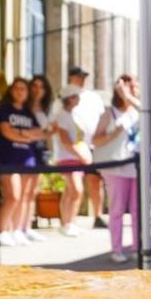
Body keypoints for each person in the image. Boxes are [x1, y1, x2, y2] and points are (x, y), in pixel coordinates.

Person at [93, 75, 148, 263]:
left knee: (136, 209)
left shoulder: (137, 111)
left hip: (134, 165)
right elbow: (96, 140)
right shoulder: (109, 113)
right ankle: (116, 249)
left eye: (135, 87)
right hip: (115, 166)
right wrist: (113, 133)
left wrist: (130, 98)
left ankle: (137, 246)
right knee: (117, 209)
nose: (134, 91)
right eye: (129, 88)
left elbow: (146, 110)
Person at [0, 78, 44, 246]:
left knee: (23, 196)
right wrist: (26, 135)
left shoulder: (29, 112)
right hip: (8, 157)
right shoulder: (4, 109)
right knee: (12, 195)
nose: (20, 92)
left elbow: (39, 133)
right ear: (11, 91)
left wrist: (20, 133)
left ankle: (16, 229)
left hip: (27, 158)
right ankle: (2, 231)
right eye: (17, 88)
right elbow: (6, 131)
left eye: (23, 89)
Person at [64, 66, 106, 226]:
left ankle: (98, 215)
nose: (80, 79)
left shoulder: (93, 97)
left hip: (92, 144)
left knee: (95, 180)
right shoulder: (64, 96)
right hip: (74, 145)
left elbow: (101, 116)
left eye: (83, 76)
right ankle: (69, 220)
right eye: (77, 76)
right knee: (73, 185)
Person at [48, 86, 94, 230]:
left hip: (75, 157)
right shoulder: (62, 116)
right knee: (76, 189)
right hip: (66, 157)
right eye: (76, 96)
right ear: (69, 99)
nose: (78, 99)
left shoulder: (73, 115)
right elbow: (66, 141)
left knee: (71, 190)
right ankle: (68, 222)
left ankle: (69, 222)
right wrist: (81, 155)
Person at [22, 75, 54, 238]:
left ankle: (28, 226)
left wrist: (39, 135)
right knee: (22, 191)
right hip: (23, 149)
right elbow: (26, 133)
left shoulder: (46, 109)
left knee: (33, 190)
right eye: (34, 86)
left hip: (39, 151)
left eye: (41, 86)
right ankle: (19, 227)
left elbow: (50, 131)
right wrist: (37, 134)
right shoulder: (24, 108)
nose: (37, 90)